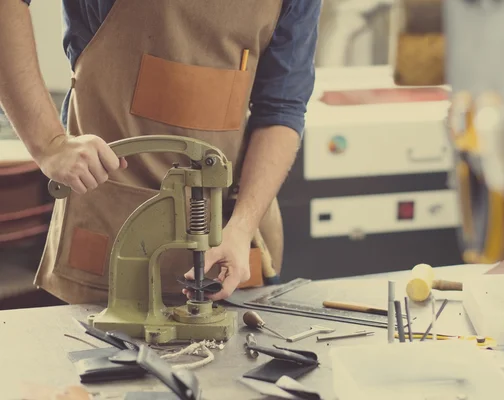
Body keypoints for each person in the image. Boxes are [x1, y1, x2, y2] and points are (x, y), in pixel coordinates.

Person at [0, 0, 322, 303]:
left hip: (232, 240)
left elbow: (282, 106)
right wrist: (48, 144)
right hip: (110, 228)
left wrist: (243, 225)